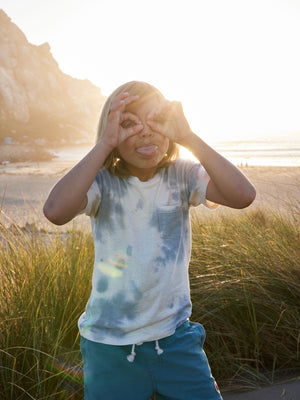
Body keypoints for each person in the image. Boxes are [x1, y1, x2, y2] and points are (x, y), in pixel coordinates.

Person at [43, 81, 256, 400]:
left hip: (175, 341)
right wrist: (104, 145)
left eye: (156, 120)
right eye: (128, 123)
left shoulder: (183, 176)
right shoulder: (102, 183)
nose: (145, 131)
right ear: (111, 131)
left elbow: (243, 195)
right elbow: (55, 211)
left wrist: (188, 137)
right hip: (109, 347)